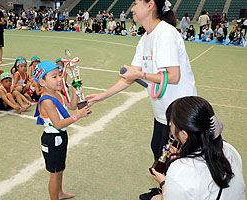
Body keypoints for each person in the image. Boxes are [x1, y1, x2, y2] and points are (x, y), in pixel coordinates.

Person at [86, 0, 197, 198]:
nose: (132, 8)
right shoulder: (145, 38)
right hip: (162, 113)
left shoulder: (165, 34)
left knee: (178, 160)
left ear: (150, 5)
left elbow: (173, 76)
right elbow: (131, 75)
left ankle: (172, 194)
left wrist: (140, 76)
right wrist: (101, 97)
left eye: (136, 3)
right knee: (159, 152)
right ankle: (165, 190)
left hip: (180, 115)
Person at [150, 96, 246, 200]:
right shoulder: (229, 149)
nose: (170, 128)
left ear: (183, 134)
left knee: (155, 198)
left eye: (171, 124)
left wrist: (163, 182)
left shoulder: (178, 171)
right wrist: (182, 156)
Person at [33, 61, 90, 200]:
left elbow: (71, 105)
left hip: (60, 137)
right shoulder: (47, 101)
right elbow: (58, 124)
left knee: (60, 170)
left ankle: (59, 193)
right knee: (54, 173)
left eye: (59, 75)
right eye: (54, 76)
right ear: (42, 81)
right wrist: (78, 116)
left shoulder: (57, 94)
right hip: (52, 139)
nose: (59, 79)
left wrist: (76, 91)